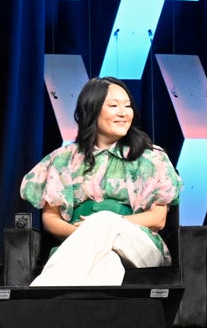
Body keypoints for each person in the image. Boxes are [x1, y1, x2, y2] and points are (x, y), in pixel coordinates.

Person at [20, 77, 181, 286]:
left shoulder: (151, 157)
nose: (124, 113)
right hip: (82, 242)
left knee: (104, 219)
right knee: (107, 263)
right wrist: (90, 235)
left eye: (128, 106)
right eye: (114, 106)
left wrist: (103, 224)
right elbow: (51, 220)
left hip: (141, 244)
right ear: (92, 111)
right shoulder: (63, 159)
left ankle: (35, 296)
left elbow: (158, 219)